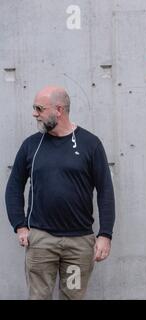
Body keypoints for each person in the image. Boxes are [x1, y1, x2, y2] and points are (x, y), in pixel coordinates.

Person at [5, 86, 115, 300]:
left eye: (39, 108)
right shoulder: (31, 145)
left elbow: (105, 191)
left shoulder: (90, 144)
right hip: (41, 243)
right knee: (38, 297)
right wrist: (20, 225)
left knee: (72, 297)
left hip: (79, 245)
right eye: (34, 108)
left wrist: (105, 235)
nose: (34, 113)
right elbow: (14, 188)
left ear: (59, 110)